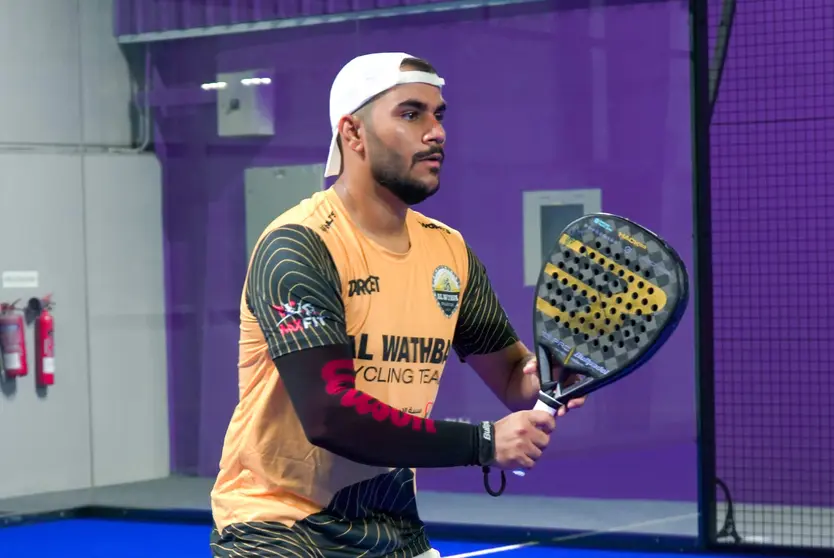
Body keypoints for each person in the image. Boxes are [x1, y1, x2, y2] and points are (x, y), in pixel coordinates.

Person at [209, 52, 587, 558]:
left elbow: (513, 379)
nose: (436, 132)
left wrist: (548, 377)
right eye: (411, 114)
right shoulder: (298, 247)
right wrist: (483, 443)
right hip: (278, 528)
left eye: (439, 115)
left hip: (391, 529)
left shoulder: (448, 252)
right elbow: (330, 417)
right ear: (354, 134)